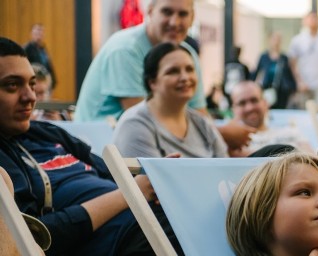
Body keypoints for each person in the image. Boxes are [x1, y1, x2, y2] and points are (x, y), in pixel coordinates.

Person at [0, 37, 182, 256]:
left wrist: (155, 179)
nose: (30, 96)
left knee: (269, 160)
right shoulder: (4, 160)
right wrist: (132, 194)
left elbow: (115, 174)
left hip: (144, 225)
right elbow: (37, 237)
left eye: (31, 83)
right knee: (216, 231)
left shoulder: (47, 133)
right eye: (12, 85)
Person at [74, 0, 253, 152]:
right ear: (150, 11)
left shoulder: (187, 53)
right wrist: (222, 134)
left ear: (192, 18)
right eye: (167, 12)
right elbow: (150, 118)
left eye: (183, 14)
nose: (175, 22)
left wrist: (218, 138)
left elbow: (199, 116)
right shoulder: (126, 50)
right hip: (102, 154)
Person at [113, 42, 228, 158]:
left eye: (189, 69)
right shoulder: (135, 124)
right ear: (152, 82)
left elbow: (227, 168)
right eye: (173, 71)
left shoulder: (202, 123)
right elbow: (148, 175)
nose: (185, 77)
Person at [229, 80, 312, 154]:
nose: (250, 108)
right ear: (234, 109)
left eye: (254, 100)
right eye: (242, 103)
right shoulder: (231, 144)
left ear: (265, 103)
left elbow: (313, 160)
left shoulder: (291, 132)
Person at [251, 32, 296, 110]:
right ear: (269, 40)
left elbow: (289, 74)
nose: (276, 42)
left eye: (278, 39)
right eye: (274, 39)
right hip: (267, 88)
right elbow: (256, 71)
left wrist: (293, 87)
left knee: (281, 110)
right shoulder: (264, 57)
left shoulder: (284, 58)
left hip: (282, 90)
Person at [22, 24, 55, 89]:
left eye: (41, 33)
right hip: (34, 84)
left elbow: (48, 67)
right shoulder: (27, 49)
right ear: (31, 34)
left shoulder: (43, 49)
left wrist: (53, 81)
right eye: (36, 33)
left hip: (46, 83)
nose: (39, 36)